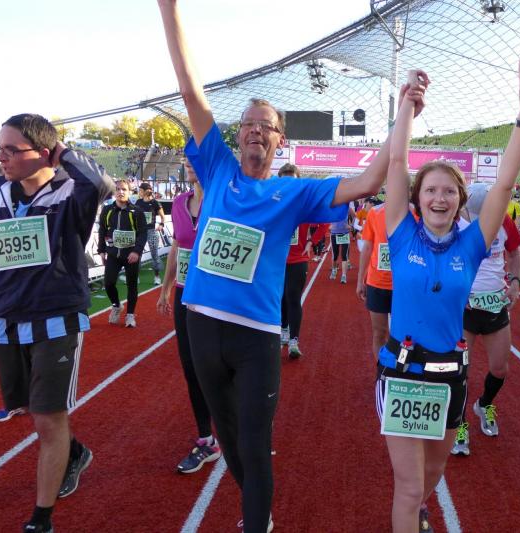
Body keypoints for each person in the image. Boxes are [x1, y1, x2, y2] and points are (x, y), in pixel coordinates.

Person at [159, 2, 408, 529]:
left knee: (254, 442)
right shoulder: (217, 167)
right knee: (229, 440)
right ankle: (259, 512)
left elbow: (367, 182)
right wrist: (169, 8)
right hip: (201, 324)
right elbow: (189, 88)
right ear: (237, 135)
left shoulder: (293, 192)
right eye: (247, 123)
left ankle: (257, 522)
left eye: (265, 126)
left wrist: (405, 112)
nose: (254, 130)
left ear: (280, 140)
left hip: (255, 336)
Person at [377, 59, 520, 532]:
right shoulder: (401, 233)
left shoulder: (472, 244)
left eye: (449, 191)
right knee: (408, 487)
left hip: (450, 373)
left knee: (433, 474)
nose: (439, 198)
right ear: (416, 199)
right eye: (430, 190)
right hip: (402, 371)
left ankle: (420, 511)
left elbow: (504, 184)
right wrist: (407, 106)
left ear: (460, 200)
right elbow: (397, 163)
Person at [0, 113, 113, 533]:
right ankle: (74, 452)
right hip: (7, 320)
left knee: (47, 417)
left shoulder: (71, 192)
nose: (1, 157)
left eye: (11, 149)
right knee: (25, 407)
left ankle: (41, 519)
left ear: (42, 153)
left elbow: (102, 184)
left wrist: (64, 154)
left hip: (57, 319)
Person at [157, 159, 222, 474]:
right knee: (191, 367)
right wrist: (165, 288)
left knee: (219, 365)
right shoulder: (179, 203)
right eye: (186, 159)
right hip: (186, 296)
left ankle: (235, 422)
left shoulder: (224, 200)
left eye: (196, 158)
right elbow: (176, 247)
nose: (189, 164)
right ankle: (206, 438)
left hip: (218, 298)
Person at [451, 183, 520, 456]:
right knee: (459, 370)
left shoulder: (503, 220)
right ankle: (458, 422)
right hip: (463, 308)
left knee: (500, 368)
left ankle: (484, 404)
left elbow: (515, 253)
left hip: (494, 304)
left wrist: (515, 282)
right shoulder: (453, 225)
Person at [278, 163, 327, 358]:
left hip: (298, 258)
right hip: (277, 259)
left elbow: (324, 223)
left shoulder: (305, 205)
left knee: (293, 296)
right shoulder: (275, 203)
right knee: (280, 297)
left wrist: (311, 241)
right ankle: (283, 329)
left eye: (292, 181)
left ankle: (294, 341)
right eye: (285, 181)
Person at [98, 179, 148, 328]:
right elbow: (102, 230)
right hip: (114, 254)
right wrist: (101, 250)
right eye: (118, 189)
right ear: (114, 192)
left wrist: (137, 251)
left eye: (124, 189)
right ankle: (116, 305)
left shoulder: (137, 211)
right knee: (108, 283)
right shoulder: (107, 210)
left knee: (132, 285)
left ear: (130, 192)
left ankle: (130, 315)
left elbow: (143, 233)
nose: (121, 192)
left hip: (131, 255)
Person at [356, 200, 396, 358]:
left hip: (404, 285)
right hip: (377, 283)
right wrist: (360, 280)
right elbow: (367, 247)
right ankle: (381, 370)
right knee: (379, 333)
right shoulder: (375, 212)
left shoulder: (416, 212)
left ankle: (399, 371)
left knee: (403, 335)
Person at [135, 182, 166, 285]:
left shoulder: (155, 203)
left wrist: (161, 225)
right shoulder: (138, 202)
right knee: (137, 254)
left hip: (152, 231)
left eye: (140, 190)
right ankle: (136, 276)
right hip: (140, 232)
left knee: (154, 254)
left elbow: (163, 217)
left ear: (145, 191)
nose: (139, 192)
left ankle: (157, 277)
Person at [329, 206, 355, 284]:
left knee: (344, 256)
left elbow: (355, 216)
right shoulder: (332, 206)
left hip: (344, 234)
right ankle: (334, 270)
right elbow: (327, 216)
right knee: (335, 255)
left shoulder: (347, 207)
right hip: (334, 233)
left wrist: (351, 225)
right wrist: (329, 225)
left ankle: (344, 275)